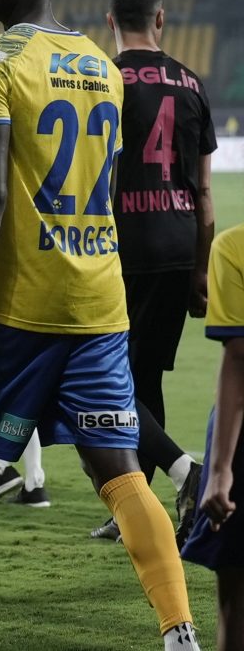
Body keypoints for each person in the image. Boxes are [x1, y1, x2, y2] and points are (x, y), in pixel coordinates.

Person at [0, 0, 200, 650]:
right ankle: (179, 631)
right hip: (98, 300)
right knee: (122, 473)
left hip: (14, 308)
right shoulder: (101, 66)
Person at [87, 0, 212, 544]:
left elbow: (96, 175)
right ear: (161, 18)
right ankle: (139, 508)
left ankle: (181, 475)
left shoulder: (104, 80)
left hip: (122, 247)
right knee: (145, 377)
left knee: (106, 381)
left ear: (110, 21)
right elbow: (204, 192)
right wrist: (200, 269)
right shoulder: (191, 82)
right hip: (180, 244)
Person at [180, 223, 244, 651]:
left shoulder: (234, 249)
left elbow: (238, 359)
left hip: (239, 438)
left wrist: (221, 470)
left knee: (235, 602)